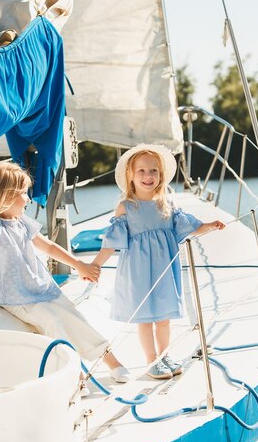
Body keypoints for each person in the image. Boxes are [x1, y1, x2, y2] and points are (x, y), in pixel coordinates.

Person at [0, 161, 130, 393]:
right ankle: (75, 374)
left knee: (74, 317)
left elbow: (48, 247)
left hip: (40, 288)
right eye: (23, 194)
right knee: (52, 322)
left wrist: (79, 264)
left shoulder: (20, 221)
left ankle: (111, 362)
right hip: (14, 295)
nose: (28, 199)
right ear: (5, 196)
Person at [92, 144, 225, 380]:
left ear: (160, 175)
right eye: (141, 171)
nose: (148, 176)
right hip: (138, 270)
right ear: (130, 176)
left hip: (164, 269)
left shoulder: (167, 204)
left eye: (153, 171)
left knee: (163, 318)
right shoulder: (126, 207)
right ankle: (151, 360)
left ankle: (164, 355)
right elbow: (112, 242)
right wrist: (96, 264)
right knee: (146, 318)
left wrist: (210, 226)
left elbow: (189, 228)